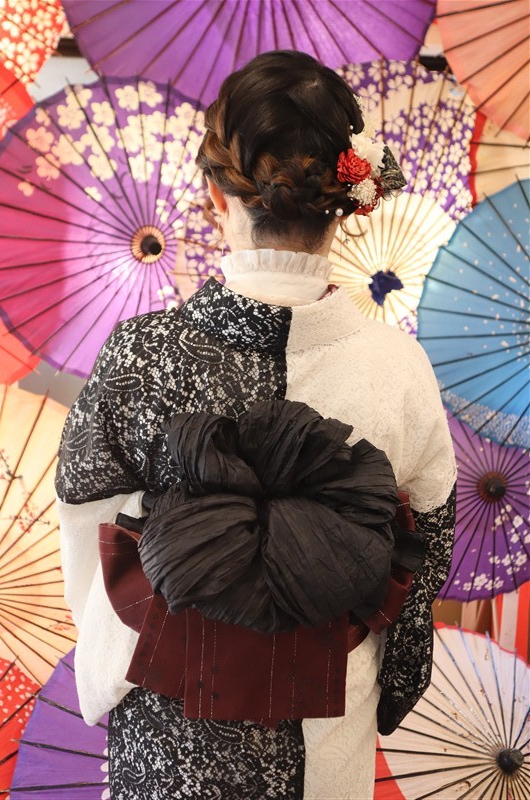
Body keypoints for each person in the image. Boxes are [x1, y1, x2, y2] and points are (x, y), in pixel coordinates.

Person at [56, 50, 456, 800]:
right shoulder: (399, 367)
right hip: (326, 724)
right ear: (347, 200)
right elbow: (422, 553)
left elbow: (87, 524)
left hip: (168, 721)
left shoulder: (142, 353)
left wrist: (121, 646)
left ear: (216, 194)